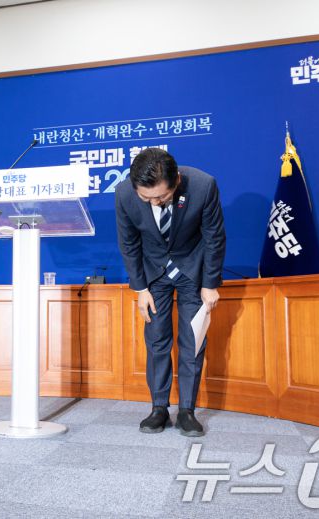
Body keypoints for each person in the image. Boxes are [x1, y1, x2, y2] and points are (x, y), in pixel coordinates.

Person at [115, 148, 225, 437]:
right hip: (154, 273)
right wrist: (140, 288)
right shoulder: (124, 193)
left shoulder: (202, 185)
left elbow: (214, 237)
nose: (155, 202)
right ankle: (159, 408)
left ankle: (187, 410)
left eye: (161, 197)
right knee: (157, 340)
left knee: (193, 339)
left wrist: (210, 284)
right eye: (147, 198)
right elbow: (129, 243)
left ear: (176, 179)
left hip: (192, 269)